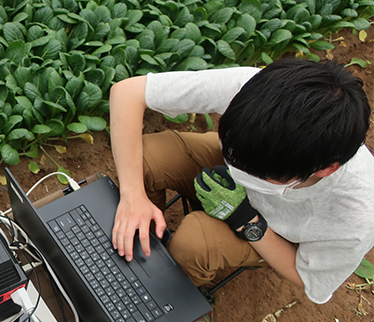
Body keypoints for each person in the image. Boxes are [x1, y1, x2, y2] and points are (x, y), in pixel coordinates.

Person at [108, 59, 374, 304]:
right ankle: (141, 235)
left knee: (195, 242)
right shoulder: (257, 93)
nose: (239, 171)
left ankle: (157, 299)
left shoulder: (358, 212)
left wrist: (247, 221)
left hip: (270, 230)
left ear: (325, 170)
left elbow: (307, 277)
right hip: (254, 153)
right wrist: (133, 196)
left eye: (256, 174)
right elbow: (127, 92)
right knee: (148, 157)